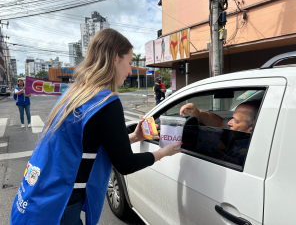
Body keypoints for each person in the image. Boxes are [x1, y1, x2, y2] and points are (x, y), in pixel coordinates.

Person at [10, 29, 182, 225]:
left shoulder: (76, 94)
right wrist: (163, 153)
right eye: (129, 62)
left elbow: (85, 144)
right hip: (60, 208)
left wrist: (134, 137)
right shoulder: (107, 102)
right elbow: (125, 164)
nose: (131, 70)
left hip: (37, 197)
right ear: (116, 58)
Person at [180, 101, 261, 165]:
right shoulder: (236, 132)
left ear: (251, 129)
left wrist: (226, 158)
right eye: (231, 118)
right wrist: (198, 113)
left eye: (235, 121)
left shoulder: (255, 151)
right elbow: (220, 123)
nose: (229, 122)